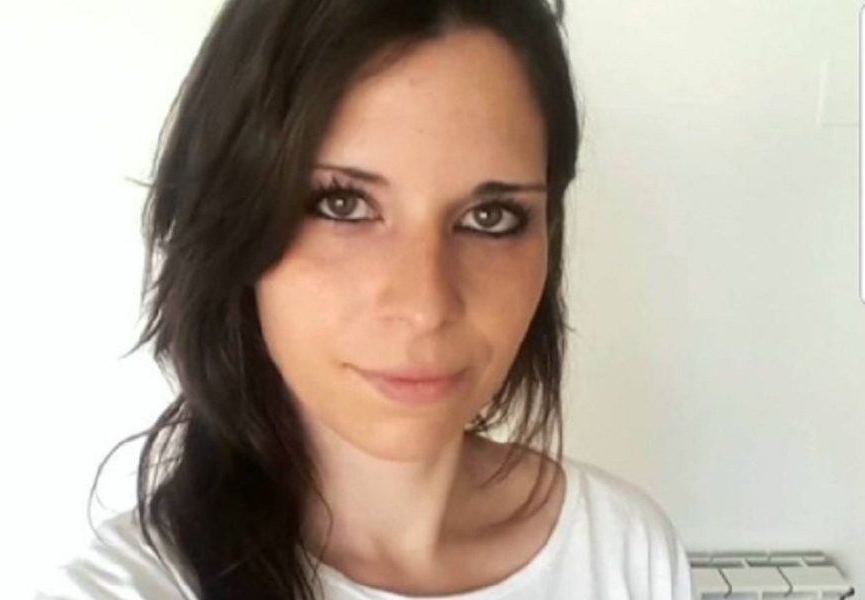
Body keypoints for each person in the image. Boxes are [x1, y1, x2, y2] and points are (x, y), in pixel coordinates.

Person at [35, 0, 696, 598]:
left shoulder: (624, 553)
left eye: (491, 217)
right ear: (232, 218)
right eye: (342, 205)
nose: (426, 306)